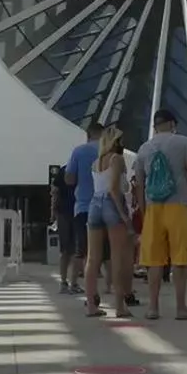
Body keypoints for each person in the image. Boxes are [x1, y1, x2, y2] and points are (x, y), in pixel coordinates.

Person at [131, 109, 187, 321]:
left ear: (154, 126)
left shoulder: (144, 148)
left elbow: (139, 184)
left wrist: (145, 212)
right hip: (179, 206)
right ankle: (181, 308)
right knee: (180, 259)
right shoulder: (183, 142)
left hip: (154, 208)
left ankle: (153, 308)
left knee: (154, 261)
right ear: (173, 124)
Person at [82, 125, 134, 318]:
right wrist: (125, 217)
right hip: (111, 203)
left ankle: (91, 306)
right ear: (115, 141)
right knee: (117, 257)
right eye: (121, 139)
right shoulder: (117, 159)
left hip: (94, 203)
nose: (123, 143)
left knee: (92, 258)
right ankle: (120, 306)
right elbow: (114, 189)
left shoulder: (96, 162)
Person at [63, 122, 102, 295]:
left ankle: (73, 283)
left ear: (88, 135)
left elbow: (69, 179)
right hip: (105, 203)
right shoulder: (109, 151)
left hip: (83, 205)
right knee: (109, 250)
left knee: (82, 248)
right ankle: (112, 286)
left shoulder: (78, 151)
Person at [51, 163, 82, 294]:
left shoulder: (63, 170)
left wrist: (53, 212)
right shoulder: (82, 170)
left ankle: (64, 282)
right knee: (77, 250)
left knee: (65, 251)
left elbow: (55, 192)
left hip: (63, 213)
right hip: (77, 212)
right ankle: (73, 283)